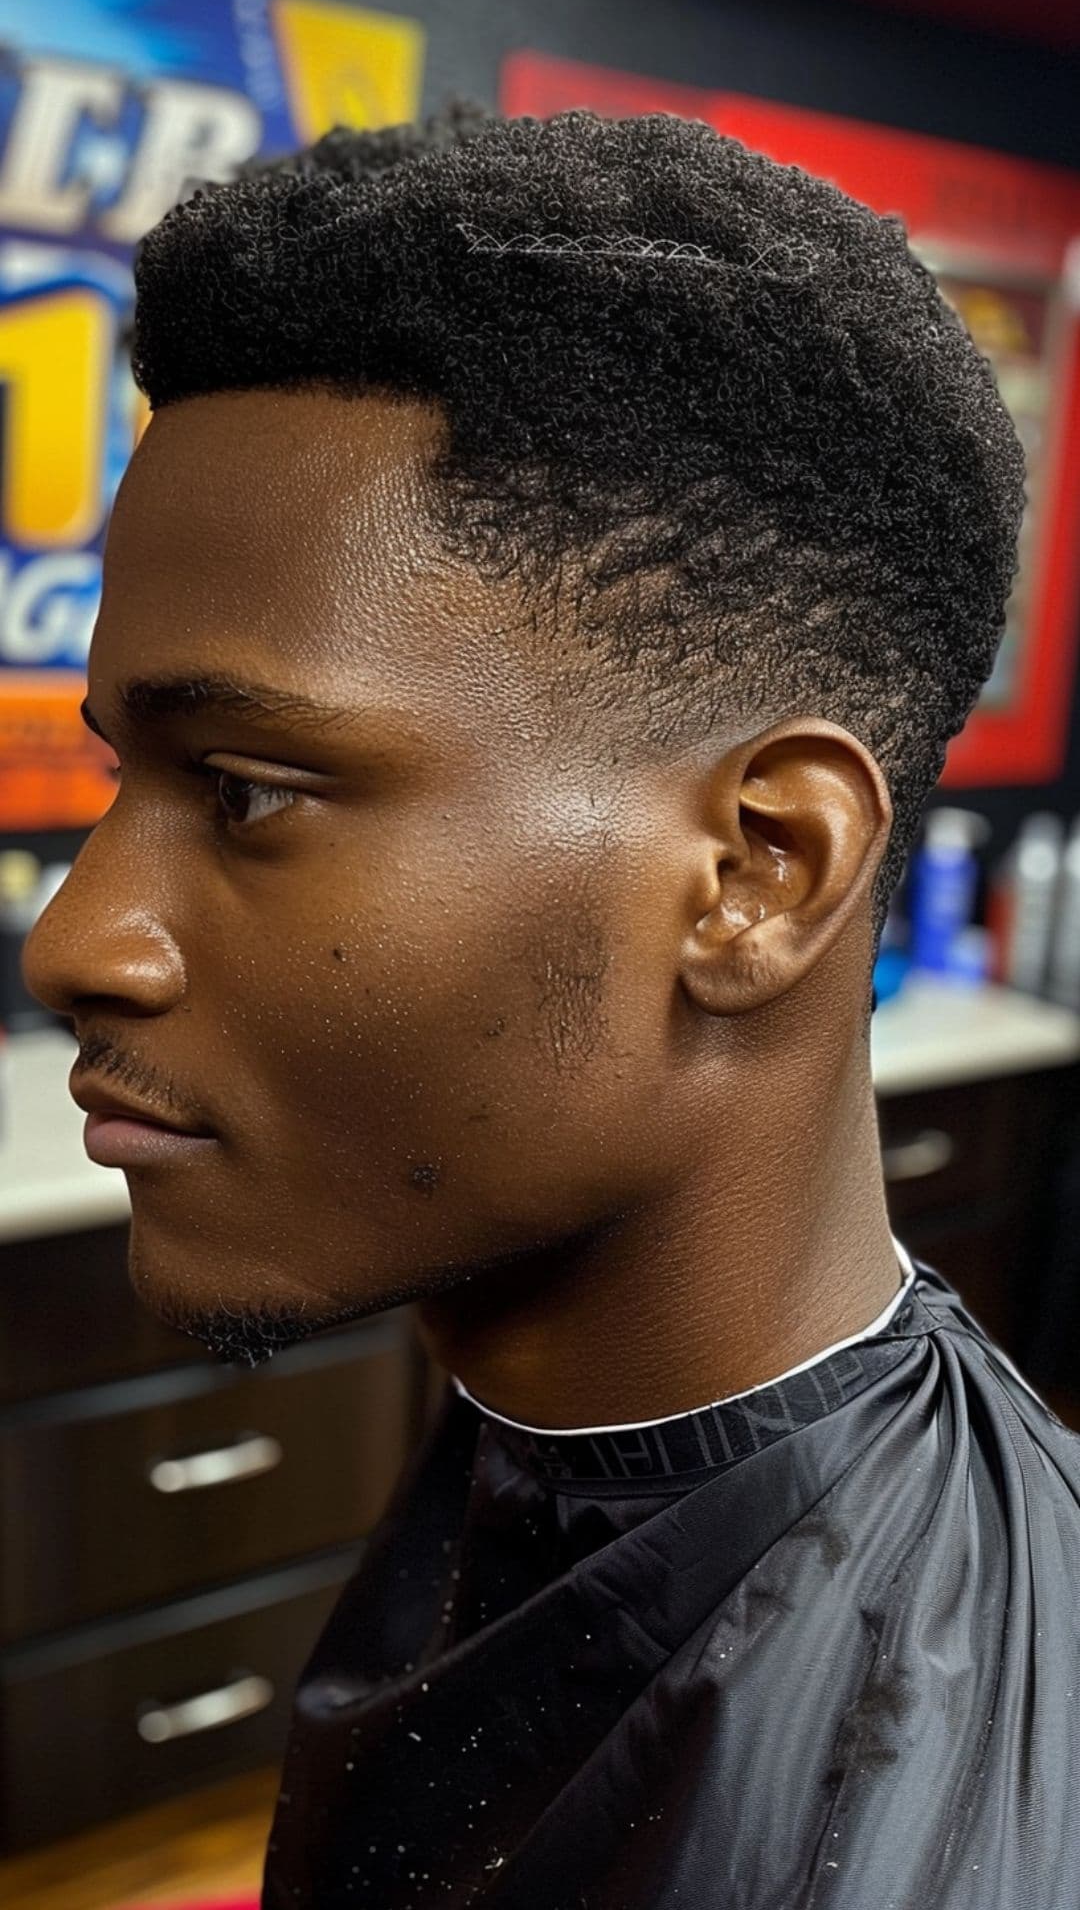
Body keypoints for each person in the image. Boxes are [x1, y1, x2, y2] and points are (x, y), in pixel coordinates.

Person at [23, 103, 1080, 1908]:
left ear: (761, 872)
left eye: (254, 790)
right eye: (129, 777)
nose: (80, 941)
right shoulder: (565, 1429)